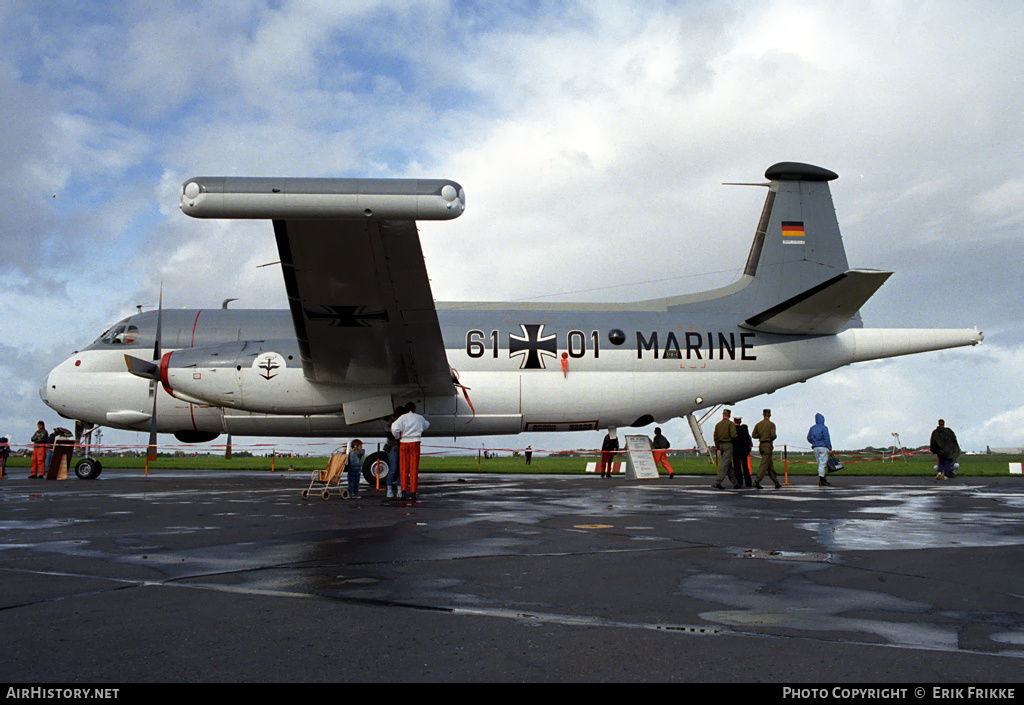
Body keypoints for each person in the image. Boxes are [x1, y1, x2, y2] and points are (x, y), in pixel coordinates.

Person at [390, 402, 429, 500]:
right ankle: (413, 492)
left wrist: (398, 436)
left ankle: (403, 492)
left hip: (404, 442)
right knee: (414, 468)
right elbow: (426, 425)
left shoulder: (402, 418)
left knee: (403, 468)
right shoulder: (419, 418)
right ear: (415, 408)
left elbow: (394, 428)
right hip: (415, 442)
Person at [751, 409, 781, 489]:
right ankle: (757, 481)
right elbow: (773, 435)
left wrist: (761, 436)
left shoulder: (758, 424)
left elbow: (754, 435)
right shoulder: (771, 425)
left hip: (761, 445)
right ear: (769, 415)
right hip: (768, 445)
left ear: (763, 415)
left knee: (769, 464)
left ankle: (776, 482)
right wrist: (770, 438)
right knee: (764, 464)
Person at [712, 409, 738, 489]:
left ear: (723, 415)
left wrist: (718, 448)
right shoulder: (731, 424)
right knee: (725, 464)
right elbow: (734, 435)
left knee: (728, 464)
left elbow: (715, 437)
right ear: (729, 415)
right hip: (728, 445)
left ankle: (735, 483)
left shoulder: (718, 425)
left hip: (720, 445)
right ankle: (718, 482)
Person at [806, 413, 832, 487]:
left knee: (819, 463)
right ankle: (822, 479)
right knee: (823, 463)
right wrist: (829, 448)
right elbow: (827, 438)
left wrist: (814, 442)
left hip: (815, 447)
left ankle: (823, 479)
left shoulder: (812, 428)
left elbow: (809, 437)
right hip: (823, 446)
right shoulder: (824, 428)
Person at [385, 408, 404, 498]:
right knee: (393, 469)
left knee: (399, 470)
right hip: (393, 448)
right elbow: (387, 430)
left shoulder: (397, 421)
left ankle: (398, 490)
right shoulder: (392, 421)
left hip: (399, 448)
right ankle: (389, 490)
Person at [733, 417, 753, 488]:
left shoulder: (733, 429)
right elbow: (747, 440)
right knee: (745, 466)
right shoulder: (744, 429)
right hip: (744, 450)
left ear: (734, 421)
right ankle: (748, 482)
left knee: (737, 467)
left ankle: (739, 482)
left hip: (735, 450)